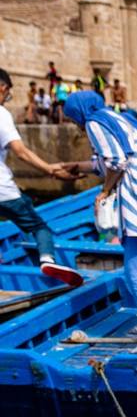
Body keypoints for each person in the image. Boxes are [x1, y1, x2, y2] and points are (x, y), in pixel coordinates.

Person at [61, 91, 137, 353]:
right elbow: (109, 160)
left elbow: (116, 163)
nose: (77, 125)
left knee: (135, 274)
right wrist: (77, 166)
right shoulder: (119, 119)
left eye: (74, 120)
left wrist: (104, 192)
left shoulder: (94, 122)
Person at [0, 69, 71, 269]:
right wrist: (50, 169)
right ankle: (47, 260)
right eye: (7, 95)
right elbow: (20, 152)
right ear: (3, 88)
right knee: (39, 227)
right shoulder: (1, 114)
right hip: (3, 191)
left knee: (26, 202)